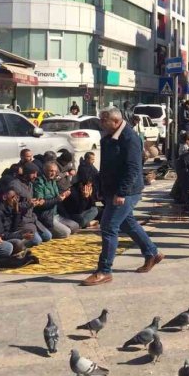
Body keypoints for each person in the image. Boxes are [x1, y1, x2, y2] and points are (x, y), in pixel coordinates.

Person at [82, 107, 162, 286]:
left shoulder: (130, 138)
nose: (101, 123)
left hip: (126, 191)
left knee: (109, 227)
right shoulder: (110, 136)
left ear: (116, 121)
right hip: (113, 189)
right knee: (128, 223)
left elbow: (133, 168)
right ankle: (152, 253)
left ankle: (104, 270)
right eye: (101, 119)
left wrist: (122, 192)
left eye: (104, 120)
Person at [7, 162, 52, 244]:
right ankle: (18, 238)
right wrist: (29, 204)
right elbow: (12, 205)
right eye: (33, 173)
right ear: (26, 173)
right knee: (37, 241)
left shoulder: (30, 184)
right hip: (22, 220)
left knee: (48, 236)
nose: (35, 176)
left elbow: (30, 200)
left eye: (36, 173)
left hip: (32, 218)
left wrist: (38, 201)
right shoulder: (15, 185)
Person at [34, 161, 80, 238]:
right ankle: (44, 231)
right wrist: (57, 199)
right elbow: (41, 204)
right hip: (46, 216)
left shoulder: (53, 181)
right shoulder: (39, 183)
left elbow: (57, 197)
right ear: (45, 171)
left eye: (55, 171)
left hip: (56, 214)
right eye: (51, 171)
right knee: (66, 233)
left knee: (75, 226)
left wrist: (64, 195)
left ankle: (54, 229)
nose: (53, 173)